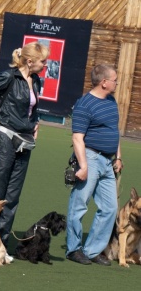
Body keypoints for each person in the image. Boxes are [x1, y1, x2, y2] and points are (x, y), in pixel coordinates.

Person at [0, 42, 49, 261]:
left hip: (24, 142)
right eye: (43, 61)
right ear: (30, 61)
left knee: (12, 198)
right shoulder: (8, 77)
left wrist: (35, 123)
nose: (46, 65)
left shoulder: (36, 81)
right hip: (4, 139)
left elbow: (31, 109)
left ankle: (1, 248)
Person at [66, 64, 123, 266]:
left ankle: (92, 250)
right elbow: (77, 138)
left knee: (109, 207)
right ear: (104, 82)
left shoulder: (111, 100)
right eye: (115, 79)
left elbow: (113, 129)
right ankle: (73, 249)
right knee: (79, 204)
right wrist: (83, 166)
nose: (117, 82)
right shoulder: (84, 104)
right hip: (90, 158)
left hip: (108, 161)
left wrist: (118, 157)